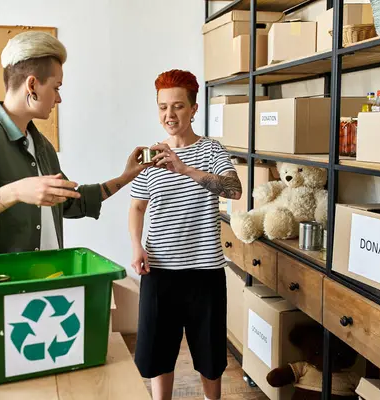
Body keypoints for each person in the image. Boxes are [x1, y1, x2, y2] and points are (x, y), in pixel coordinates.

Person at [0, 31, 146, 338]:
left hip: (44, 300)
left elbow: (71, 201)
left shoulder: (41, 146)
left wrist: (125, 177)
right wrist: (11, 193)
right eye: (56, 87)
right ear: (32, 85)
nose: (59, 98)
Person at [128, 69, 243, 400]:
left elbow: (234, 190)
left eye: (178, 106)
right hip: (159, 273)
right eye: (163, 107)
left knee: (209, 358)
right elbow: (137, 208)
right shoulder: (150, 157)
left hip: (203, 274)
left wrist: (184, 169)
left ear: (193, 109)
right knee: (157, 354)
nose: (169, 115)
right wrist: (137, 246)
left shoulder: (211, 151)